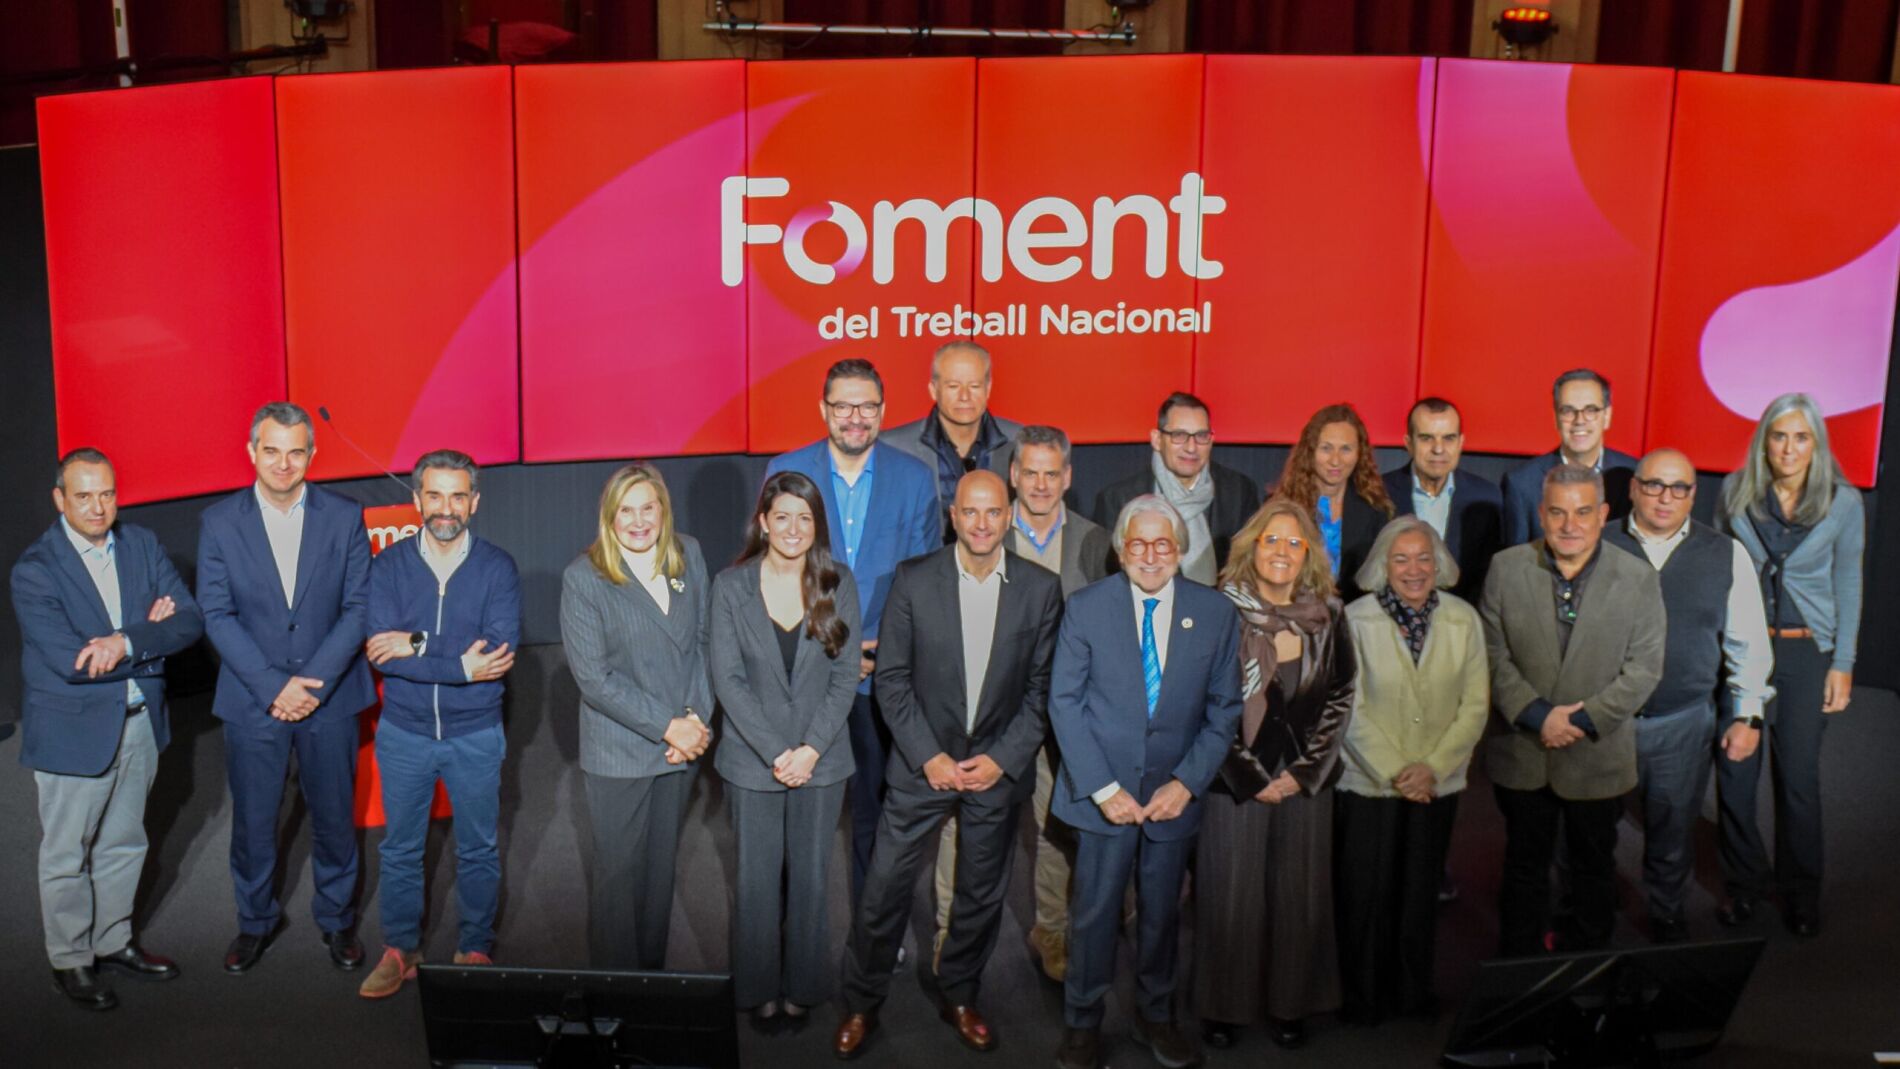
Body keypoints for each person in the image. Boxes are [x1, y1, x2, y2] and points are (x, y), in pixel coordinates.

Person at [834, 471, 1064, 1059]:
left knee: (980, 896)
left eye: (993, 512)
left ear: (1008, 517)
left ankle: (961, 994)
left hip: (995, 772)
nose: (982, 523)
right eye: (970, 511)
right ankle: (862, 1001)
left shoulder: (1041, 589)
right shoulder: (913, 579)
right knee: (884, 888)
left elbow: (1042, 691)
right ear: (954, 517)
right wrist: (929, 756)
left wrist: (1002, 760)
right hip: (922, 767)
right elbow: (891, 679)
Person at [1050, 495, 1243, 1069]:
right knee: (1094, 915)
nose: (1151, 555)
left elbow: (1224, 710)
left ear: (1180, 551)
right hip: (1103, 796)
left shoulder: (1215, 613)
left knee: (1162, 916)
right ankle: (1082, 1022)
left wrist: (1186, 783)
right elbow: (1064, 703)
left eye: (1163, 544)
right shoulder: (1086, 608)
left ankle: (1156, 1017)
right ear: (1120, 550)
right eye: (1138, 543)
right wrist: (1104, 790)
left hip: (1171, 798)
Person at [12, 448, 203, 1010]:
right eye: (83, 496)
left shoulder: (141, 544)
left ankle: (113, 942)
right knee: (67, 853)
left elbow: (190, 621)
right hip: (72, 732)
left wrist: (125, 640)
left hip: (140, 723)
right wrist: (150, 638)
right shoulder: (35, 569)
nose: (98, 507)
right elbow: (71, 661)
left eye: (107, 494)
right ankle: (70, 959)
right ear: (59, 499)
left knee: (125, 841)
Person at [197, 402, 375, 973]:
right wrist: (275, 688)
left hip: (330, 698)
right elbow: (217, 614)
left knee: (334, 818)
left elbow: (358, 608)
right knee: (253, 823)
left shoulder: (345, 516)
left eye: (295, 452)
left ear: (312, 455)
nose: (283, 463)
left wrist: (312, 687)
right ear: (252, 452)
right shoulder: (219, 522)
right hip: (254, 700)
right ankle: (255, 921)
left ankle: (338, 920)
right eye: (271, 451)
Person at [931, 424, 1111, 984]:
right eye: (1029, 472)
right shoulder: (985, 533)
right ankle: (948, 932)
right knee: (962, 825)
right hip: (990, 716)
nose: (1039, 484)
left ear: (1068, 477)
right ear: (1013, 475)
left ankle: (1050, 930)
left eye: (1051, 474)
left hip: (1066, 719)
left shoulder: (1096, 543)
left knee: (1057, 827)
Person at [765, 359, 939, 905]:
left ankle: (872, 932)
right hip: (804, 670)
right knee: (794, 811)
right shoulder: (786, 470)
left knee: (875, 811)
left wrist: (885, 652)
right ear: (824, 410)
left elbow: (924, 579)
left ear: (883, 411)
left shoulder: (915, 478)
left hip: (881, 674)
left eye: (867, 406)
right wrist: (834, 652)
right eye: (843, 405)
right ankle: (788, 931)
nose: (855, 417)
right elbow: (771, 575)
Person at [356, 450, 521, 997]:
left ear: (474, 502)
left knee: (478, 848)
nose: (445, 508)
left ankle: (475, 946)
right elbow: (383, 654)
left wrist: (417, 643)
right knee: (400, 849)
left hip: (475, 733)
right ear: (416, 499)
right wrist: (459, 664)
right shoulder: (387, 566)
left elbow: (497, 652)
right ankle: (401, 949)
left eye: (457, 496)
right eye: (434, 495)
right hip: (404, 732)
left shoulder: (498, 567)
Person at [1482, 464, 1665, 957]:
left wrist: (1580, 721)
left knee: (1593, 870)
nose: (1569, 525)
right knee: (1524, 868)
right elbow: (1491, 655)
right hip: (1524, 750)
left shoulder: (1638, 579)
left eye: (1583, 512)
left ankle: (1586, 968)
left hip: (1597, 755)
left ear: (1603, 514)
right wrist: (1538, 715)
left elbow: (1644, 670)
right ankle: (1519, 969)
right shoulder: (1505, 568)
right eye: (1558, 513)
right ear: (1541, 514)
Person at [1195, 499, 1356, 1051]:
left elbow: (1342, 694)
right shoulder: (1220, 612)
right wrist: (1250, 776)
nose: (1283, 551)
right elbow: (1206, 702)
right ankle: (1224, 1007)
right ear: (1251, 548)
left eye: (1294, 542)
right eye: (1272, 540)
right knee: (1230, 893)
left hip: (1305, 779)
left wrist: (1304, 773)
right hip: (1235, 779)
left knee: (1300, 895)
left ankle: (1292, 1004)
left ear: (1308, 553)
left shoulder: (1329, 615)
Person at [710, 472, 863, 1033]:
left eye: (805, 518)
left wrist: (810, 749)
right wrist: (779, 751)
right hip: (753, 761)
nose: (793, 528)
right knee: (754, 881)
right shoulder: (730, 587)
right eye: (782, 517)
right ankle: (757, 989)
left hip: (822, 762)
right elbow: (727, 679)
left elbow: (845, 676)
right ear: (763, 522)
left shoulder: (838, 582)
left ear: (816, 525)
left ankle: (804, 987)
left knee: (810, 880)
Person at [1602, 448, 1774, 944]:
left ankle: (1666, 915)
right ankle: (1589, 910)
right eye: (1654, 485)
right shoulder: (1598, 542)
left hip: (1681, 720)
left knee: (1673, 833)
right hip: (1604, 719)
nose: (1665, 497)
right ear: (1633, 488)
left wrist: (1748, 715)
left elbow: (1748, 644)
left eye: (1679, 488)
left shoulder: (1725, 554)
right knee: (1590, 830)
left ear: (1693, 495)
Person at [1714, 393, 1863, 938]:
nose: (1789, 448)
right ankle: (1745, 886)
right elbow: (1719, 571)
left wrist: (1842, 662)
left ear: (1816, 444)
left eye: (1801, 437)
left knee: (1797, 778)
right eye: (1780, 436)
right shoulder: (1736, 492)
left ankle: (1801, 894)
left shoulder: (1843, 502)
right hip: (1744, 650)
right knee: (1735, 774)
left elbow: (1848, 581)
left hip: (1804, 651)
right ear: (1764, 441)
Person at [559, 462, 713, 970]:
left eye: (648, 508)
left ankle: (651, 985)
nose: (639, 521)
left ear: (664, 510)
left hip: (680, 748)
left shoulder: (689, 554)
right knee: (617, 881)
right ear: (609, 517)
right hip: (620, 753)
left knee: (659, 874)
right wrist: (670, 727)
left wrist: (695, 720)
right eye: (626, 511)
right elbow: (594, 678)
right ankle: (616, 995)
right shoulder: (585, 578)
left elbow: (705, 643)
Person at [1335, 516, 1488, 1022]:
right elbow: (1348, 708)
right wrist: (1399, 771)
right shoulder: (1354, 619)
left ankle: (1411, 992)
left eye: (1424, 557)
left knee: (1420, 893)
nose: (1414, 569)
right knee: (1366, 895)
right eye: (1401, 559)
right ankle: (1361, 998)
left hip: (1436, 785)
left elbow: (1475, 706)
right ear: (1383, 565)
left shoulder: (1464, 619)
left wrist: (1433, 769)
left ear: (1439, 562)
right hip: (1368, 783)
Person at [1093, 392, 1261, 587]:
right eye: (1179, 435)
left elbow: (1250, 568)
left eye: (1201, 436)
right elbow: (1107, 579)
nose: (1191, 447)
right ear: (1157, 439)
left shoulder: (1239, 492)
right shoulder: (1118, 499)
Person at [879, 340, 1024, 534]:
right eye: (954, 386)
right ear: (933, 390)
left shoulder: (1021, 444)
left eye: (974, 386)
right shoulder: (893, 447)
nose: (964, 396)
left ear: (988, 388)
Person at [1381, 397, 1503, 602]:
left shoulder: (1487, 497)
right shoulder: (1379, 494)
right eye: (1427, 438)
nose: (1438, 449)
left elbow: (1490, 579)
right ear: (1408, 444)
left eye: (1448, 438)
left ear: (1461, 443)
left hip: (1463, 616)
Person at [1271, 403, 1394, 600]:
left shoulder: (1377, 510)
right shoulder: (1281, 507)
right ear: (1310, 451)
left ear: (1359, 453)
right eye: (1326, 448)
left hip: (1357, 612)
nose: (1335, 461)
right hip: (1296, 610)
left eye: (1346, 449)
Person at [1501, 369, 1638, 546]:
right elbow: (1515, 557)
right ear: (1555, 417)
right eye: (1568, 411)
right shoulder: (1522, 483)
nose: (1579, 420)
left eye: (1591, 410)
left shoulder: (1634, 476)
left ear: (1607, 416)